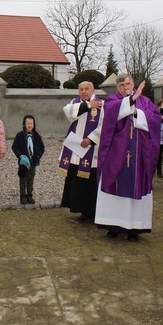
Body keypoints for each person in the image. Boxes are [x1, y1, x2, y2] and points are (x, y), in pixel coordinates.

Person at [95, 74, 161, 242]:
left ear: (134, 84)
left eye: (128, 84)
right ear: (117, 87)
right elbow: (109, 117)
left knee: (137, 184)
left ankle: (135, 228)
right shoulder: (111, 101)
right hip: (116, 155)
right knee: (113, 186)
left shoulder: (146, 102)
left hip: (139, 154)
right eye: (122, 85)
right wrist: (131, 101)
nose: (125, 87)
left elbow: (155, 119)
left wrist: (138, 112)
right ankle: (113, 225)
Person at [58, 81, 104, 221]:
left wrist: (90, 139)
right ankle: (81, 210)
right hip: (75, 148)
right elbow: (68, 112)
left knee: (90, 181)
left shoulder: (102, 104)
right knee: (76, 179)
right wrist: (89, 105)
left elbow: (104, 125)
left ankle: (92, 211)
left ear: (93, 89)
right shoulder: (75, 102)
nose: (84, 91)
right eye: (81, 89)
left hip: (92, 148)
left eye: (87, 89)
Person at [12, 115, 45, 204]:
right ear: (24, 124)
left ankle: (29, 195)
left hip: (33, 161)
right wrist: (19, 155)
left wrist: (38, 156)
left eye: (31, 123)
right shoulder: (20, 135)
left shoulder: (36, 135)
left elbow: (42, 147)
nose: (30, 125)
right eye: (28, 123)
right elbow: (14, 147)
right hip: (23, 162)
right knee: (23, 178)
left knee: (31, 178)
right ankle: (22, 195)